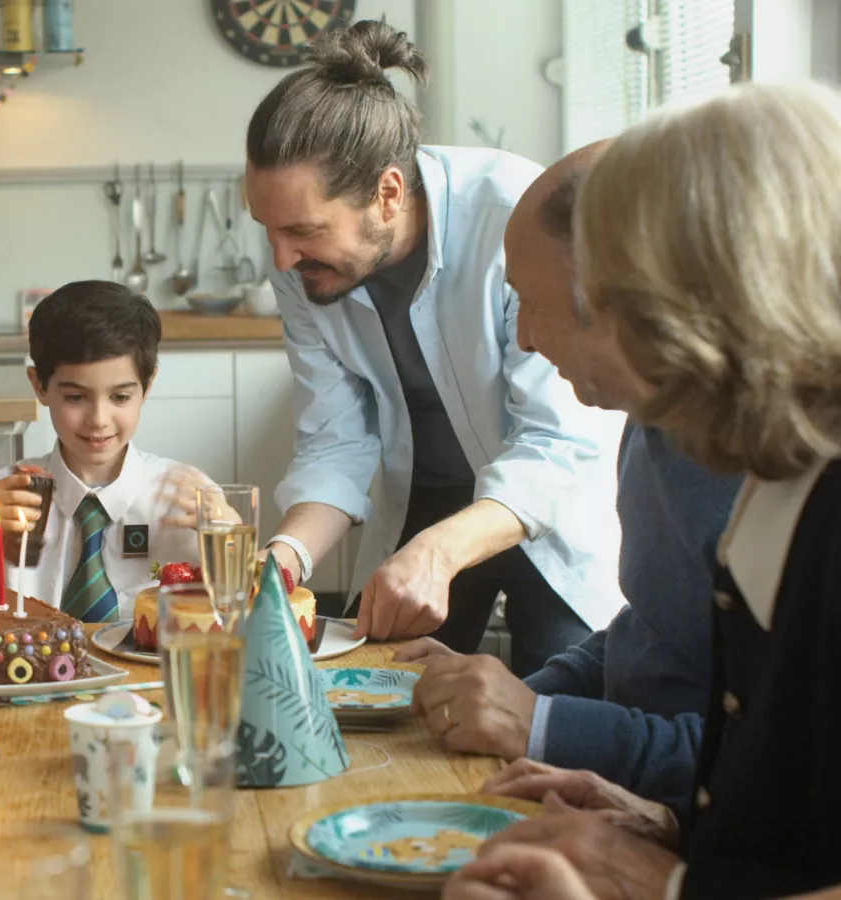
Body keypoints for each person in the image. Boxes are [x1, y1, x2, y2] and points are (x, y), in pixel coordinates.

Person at [468, 81, 841, 900]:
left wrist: (663, 888)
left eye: (609, 291)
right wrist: (669, 825)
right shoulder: (766, 462)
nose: (588, 314)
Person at [245, 20, 626, 674]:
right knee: (384, 702)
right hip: (422, 506)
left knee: (554, 722)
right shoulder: (300, 262)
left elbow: (557, 444)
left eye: (303, 231)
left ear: (388, 194)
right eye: (270, 230)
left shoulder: (511, 214)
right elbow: (336, 439)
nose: (281, 258)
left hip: (544, 511)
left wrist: (439, 553)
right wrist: (282, 560)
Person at [397, 143, 742, 814]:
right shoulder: (651, 424)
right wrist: (517, 691)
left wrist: (543, 723)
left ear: (617, 297)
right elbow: (650, 629)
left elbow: (775, 775)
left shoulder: (777, 476)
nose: (522, 338)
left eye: (529, 301)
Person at [0, 281, 213, 621]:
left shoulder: (189, 497)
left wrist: (230, 547)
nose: (99, 420)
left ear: (147, 387)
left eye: (120, 397)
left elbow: (229, 624)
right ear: (39, 386)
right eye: (75, 397)